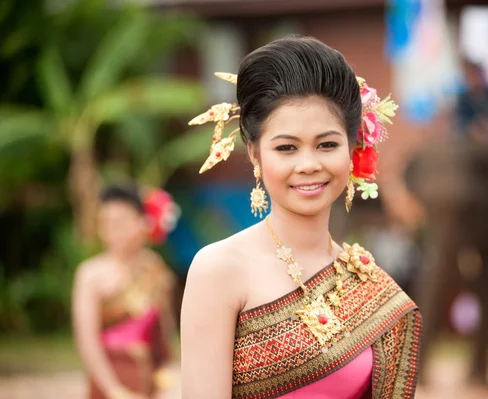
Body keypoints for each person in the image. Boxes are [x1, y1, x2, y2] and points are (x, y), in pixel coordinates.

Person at [180, 36, 421, 399]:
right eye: (286, 148)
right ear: (256, 154)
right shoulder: (218, 270)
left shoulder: (367, 282)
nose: (309, 165)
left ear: (353, 148)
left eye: (327, 144)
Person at [72, 184, 177, 399]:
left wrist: (164, 379)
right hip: (108, 383)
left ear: (141, 223)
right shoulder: (90, 274)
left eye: (120, 222)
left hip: (147, 382)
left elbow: (163, 330)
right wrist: (114, 391)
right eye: (106, 222)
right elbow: (87, 341)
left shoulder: (154, 268)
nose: (111, 229)